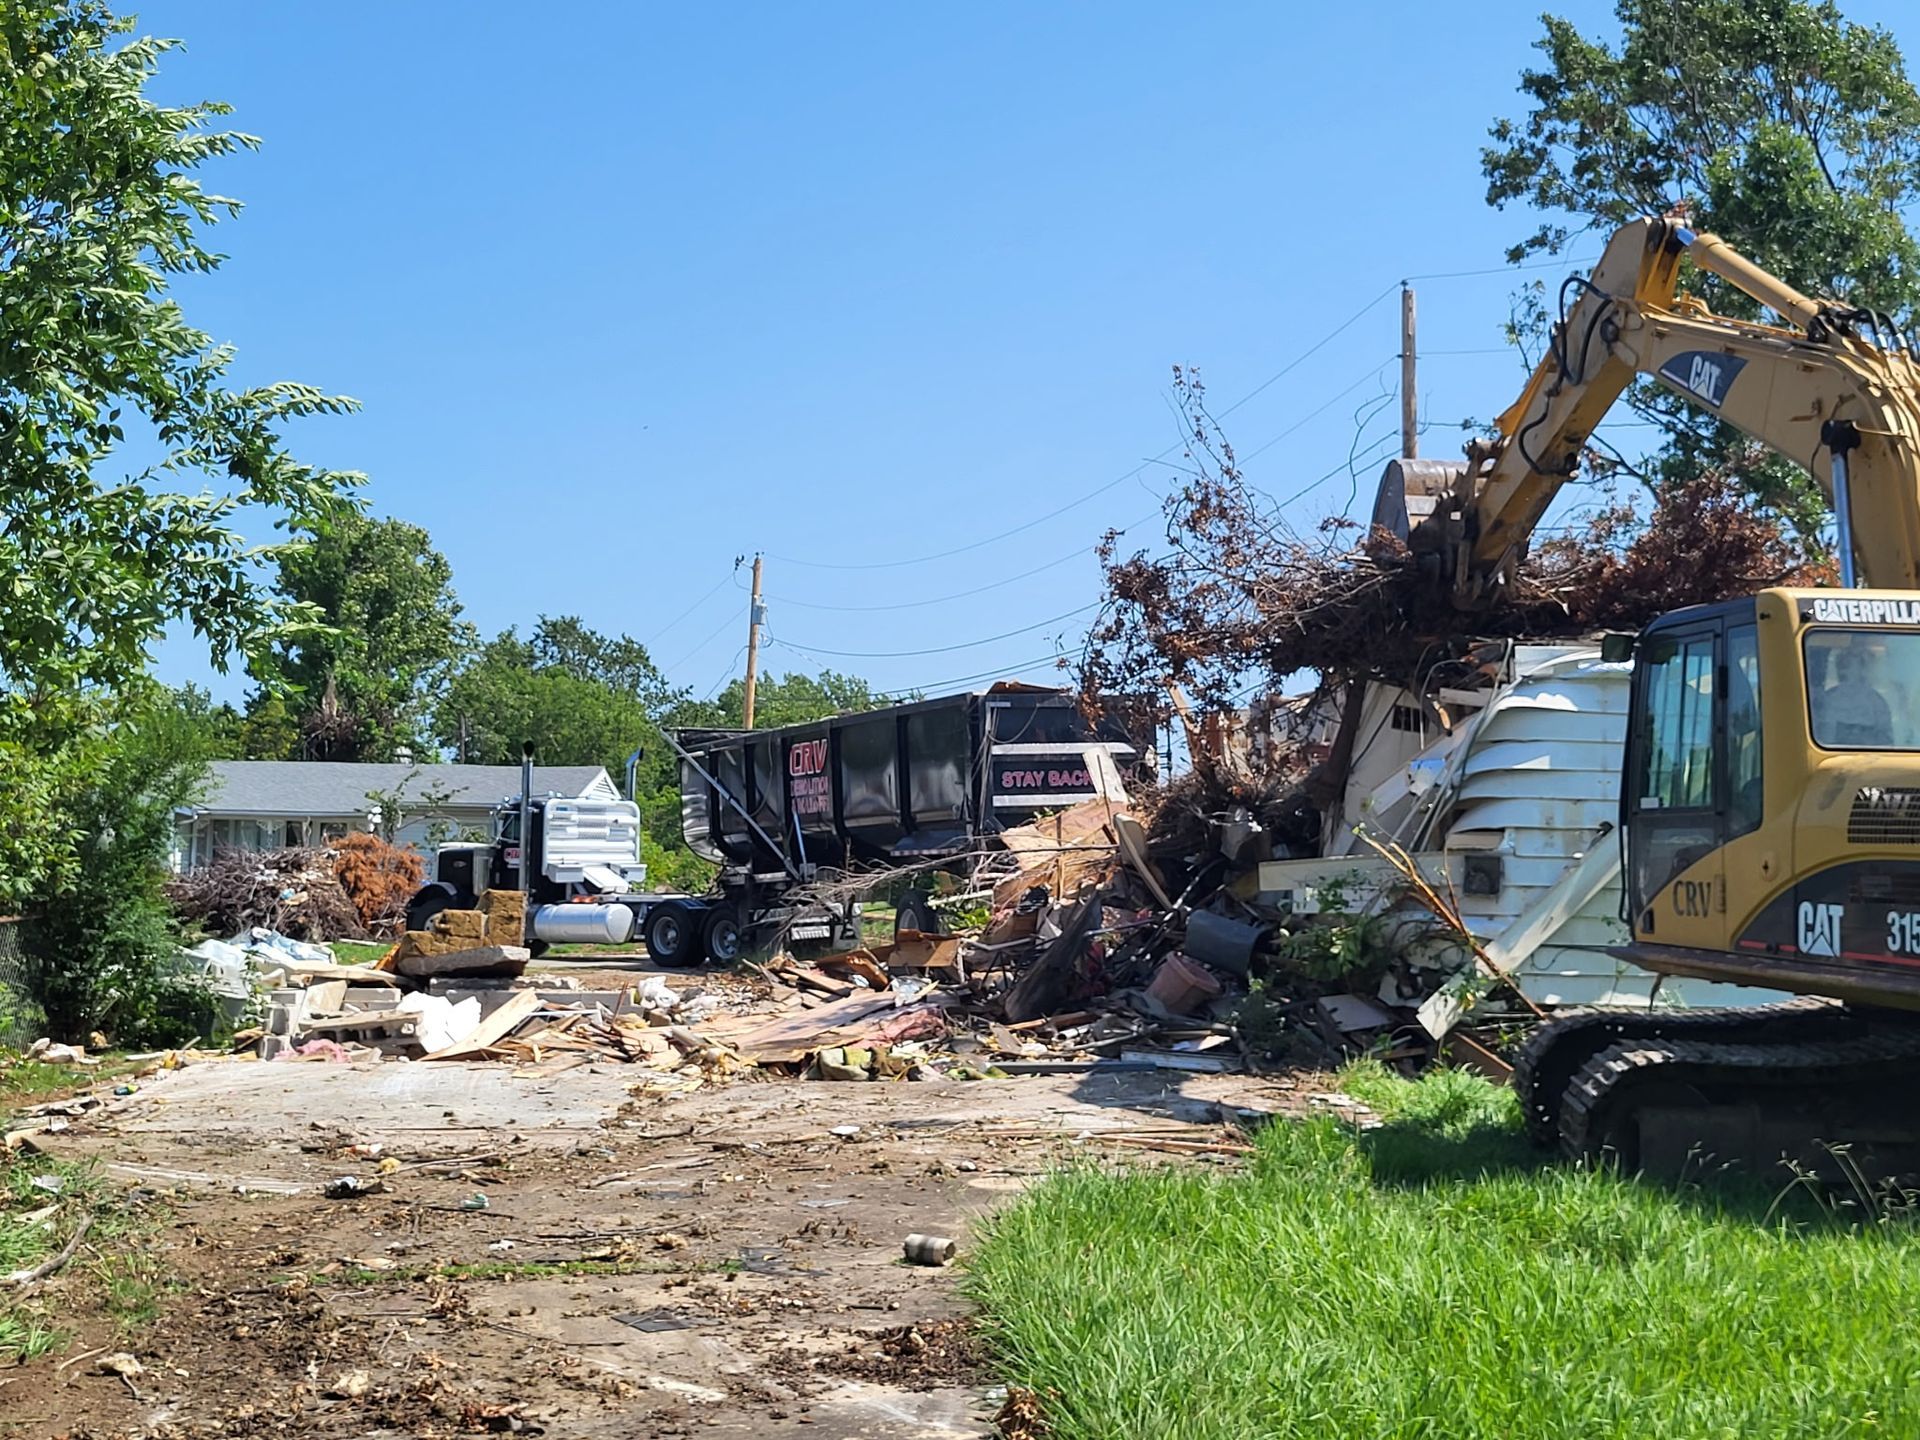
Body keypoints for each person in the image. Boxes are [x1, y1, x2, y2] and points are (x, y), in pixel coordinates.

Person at [1821, 645, 1894, 747]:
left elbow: (1886, 742)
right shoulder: (1827, 699)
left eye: (1847, 665)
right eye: (1841, 664)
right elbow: (1823, 739)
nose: (1843, 671)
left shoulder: (1876, 702)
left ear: (1863, 669)